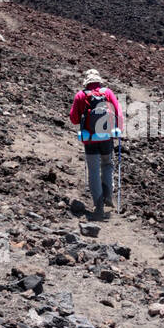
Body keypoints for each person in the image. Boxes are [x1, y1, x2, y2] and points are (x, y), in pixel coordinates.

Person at [69, 68, 124, 219]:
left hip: (90, 139)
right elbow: (118, 112)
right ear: (99, 81)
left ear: (86, 81)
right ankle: (108, 195)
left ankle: (98, 205)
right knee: (107, 164)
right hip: (107, 138)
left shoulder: (81, 95)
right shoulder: (107, 93)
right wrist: (119, 129)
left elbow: (73, 118)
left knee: (93, 169)